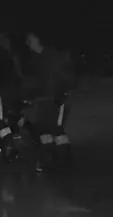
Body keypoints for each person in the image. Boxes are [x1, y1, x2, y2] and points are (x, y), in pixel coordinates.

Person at [22, 32, 76, 169]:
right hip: (44, 100)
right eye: (27, 40)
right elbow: (36, 81)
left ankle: (63, 159)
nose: (28, 42)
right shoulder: (35, 60)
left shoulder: (52, 56)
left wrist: (62, 93)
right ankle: (50, 158)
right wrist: (31, 96)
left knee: (56, 130)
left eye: (31, 39)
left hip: (57, 99)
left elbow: (65, 76)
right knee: (44, 130)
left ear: (39, 40)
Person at [0, 32, 24, 162]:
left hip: (4, 91)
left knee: (3, 121)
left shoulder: (5, 55)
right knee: (5, 120)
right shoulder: (8, 54)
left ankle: (9, 148)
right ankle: (9, 147)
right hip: (8, 91)